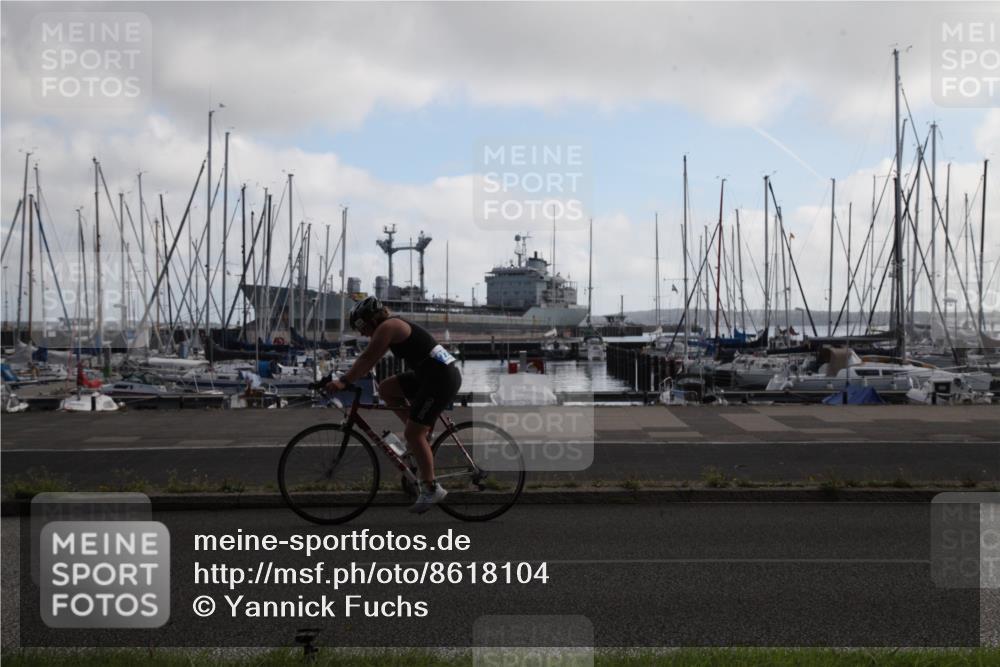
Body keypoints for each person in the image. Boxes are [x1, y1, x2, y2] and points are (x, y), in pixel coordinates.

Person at [324, 296, 462, 513]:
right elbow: (367, 361)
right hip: (430, 375)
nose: (360, 332)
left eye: (359, 326)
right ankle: (421, 434)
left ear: (369, 320)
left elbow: (367, 359)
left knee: (412, 434)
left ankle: (431, 488)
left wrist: (343, 381)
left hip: (441, 379)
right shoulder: (392, 325)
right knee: (387, 389)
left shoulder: (388, 327)